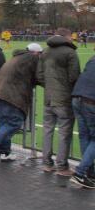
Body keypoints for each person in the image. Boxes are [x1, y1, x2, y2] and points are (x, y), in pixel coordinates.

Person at [0, 43, 43, 164]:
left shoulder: (17, 57)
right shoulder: (31, 58)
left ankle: (5, 152)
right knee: (15, 122)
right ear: (36, 53)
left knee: (4, 123)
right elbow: (39, 77)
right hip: (9, 95)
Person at [37, 28, 81, 176]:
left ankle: (47, 163)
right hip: (63, 98)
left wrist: (49, 86)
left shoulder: (45, 51)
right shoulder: (70, 52)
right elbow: (74, 77)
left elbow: (39, 75)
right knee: (64, 133)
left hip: (48, 97)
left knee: (48, 131)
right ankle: (62, 166)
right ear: (67, 37)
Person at [70, 55, 95, 189]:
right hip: (91, 101)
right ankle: (80, 172)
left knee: (85, 136)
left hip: (77, 97)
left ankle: (89, 173)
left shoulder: (91, 59)